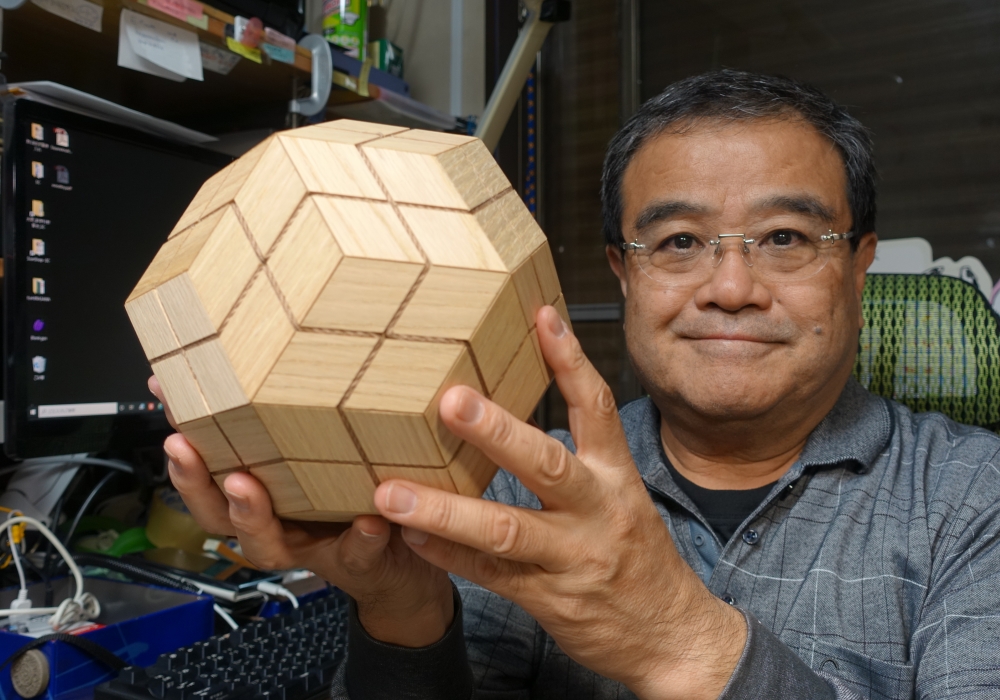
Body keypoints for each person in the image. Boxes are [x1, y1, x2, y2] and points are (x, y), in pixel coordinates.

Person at [153, 70, 1000, 699]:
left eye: (784, 238)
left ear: (858, 265)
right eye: (678, 242)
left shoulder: (976, 501)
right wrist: (402, 611)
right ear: (623, 273)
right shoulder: (510, 487)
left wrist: (681, 642)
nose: (731, 287)